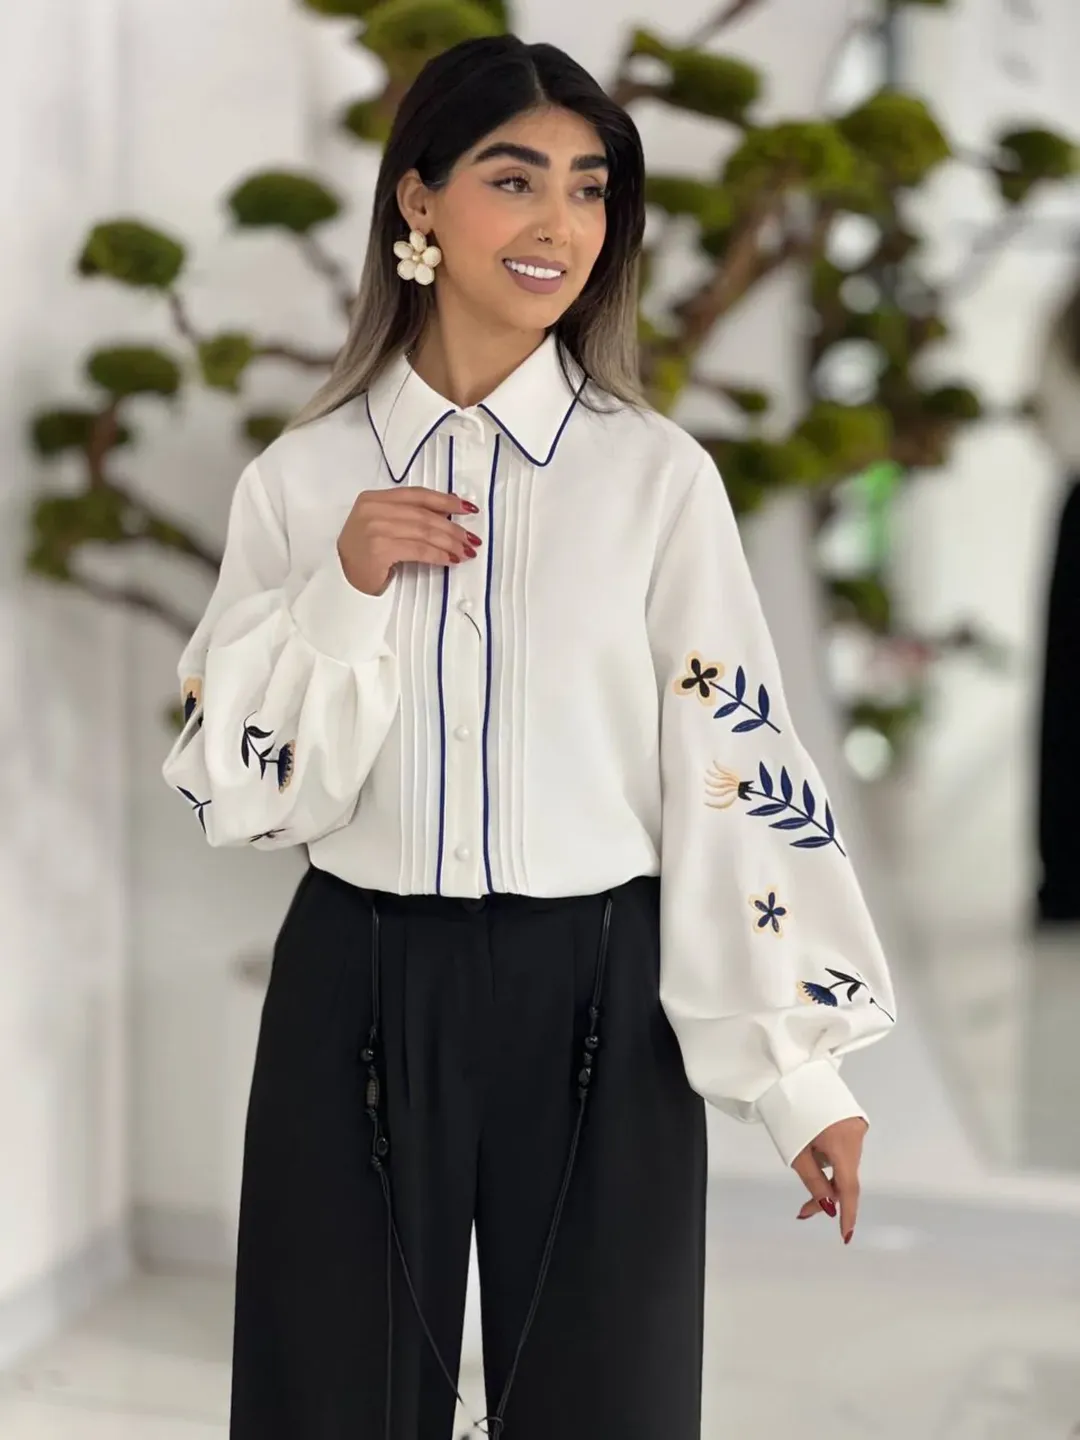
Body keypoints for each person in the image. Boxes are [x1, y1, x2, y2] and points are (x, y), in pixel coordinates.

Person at [162, 33, 897, 1440]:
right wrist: (343, 588)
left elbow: (731, 764)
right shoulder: (303, 480)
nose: (561, 222)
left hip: (601, 991)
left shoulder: (655, 480)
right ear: (418, 200)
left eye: (590, 187)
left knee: (607, 1401)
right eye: (515, 179)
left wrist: (798, 1077)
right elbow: (239, 794)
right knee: (330, 1399)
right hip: (356, 985)